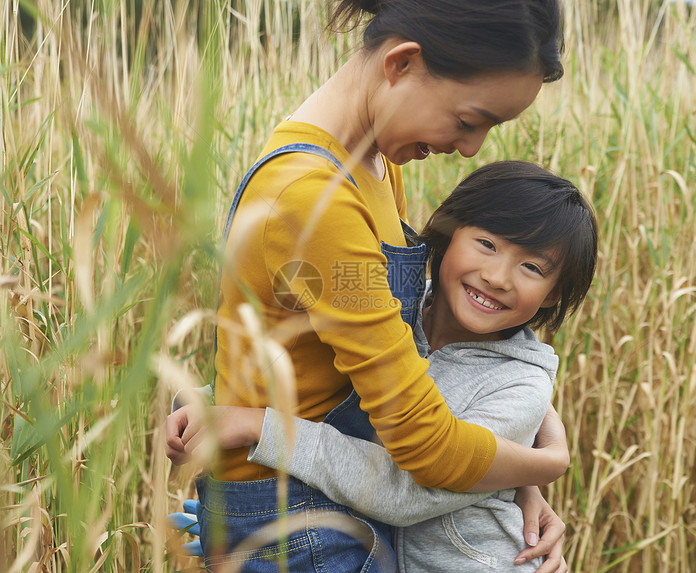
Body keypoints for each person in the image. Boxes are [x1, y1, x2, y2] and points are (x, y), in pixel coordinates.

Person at [166, 0, 571, 570]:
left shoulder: (374, 164)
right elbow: (423, 443)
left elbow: (394, 357)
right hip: (295, 525)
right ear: (402, 64)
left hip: (334, 498)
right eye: (467, 120)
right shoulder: (314, 200)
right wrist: (548, 460)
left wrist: (520, 473)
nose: (472, 148)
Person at [200, 161, 598, 571]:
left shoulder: (518, 388)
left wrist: (263, 427)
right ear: (447, 232)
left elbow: (406, 492)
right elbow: (320, 382)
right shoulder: (391, 313)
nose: (498, 277)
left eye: (532, 267)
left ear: (553, 296)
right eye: (487, 244)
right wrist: (210, 401)